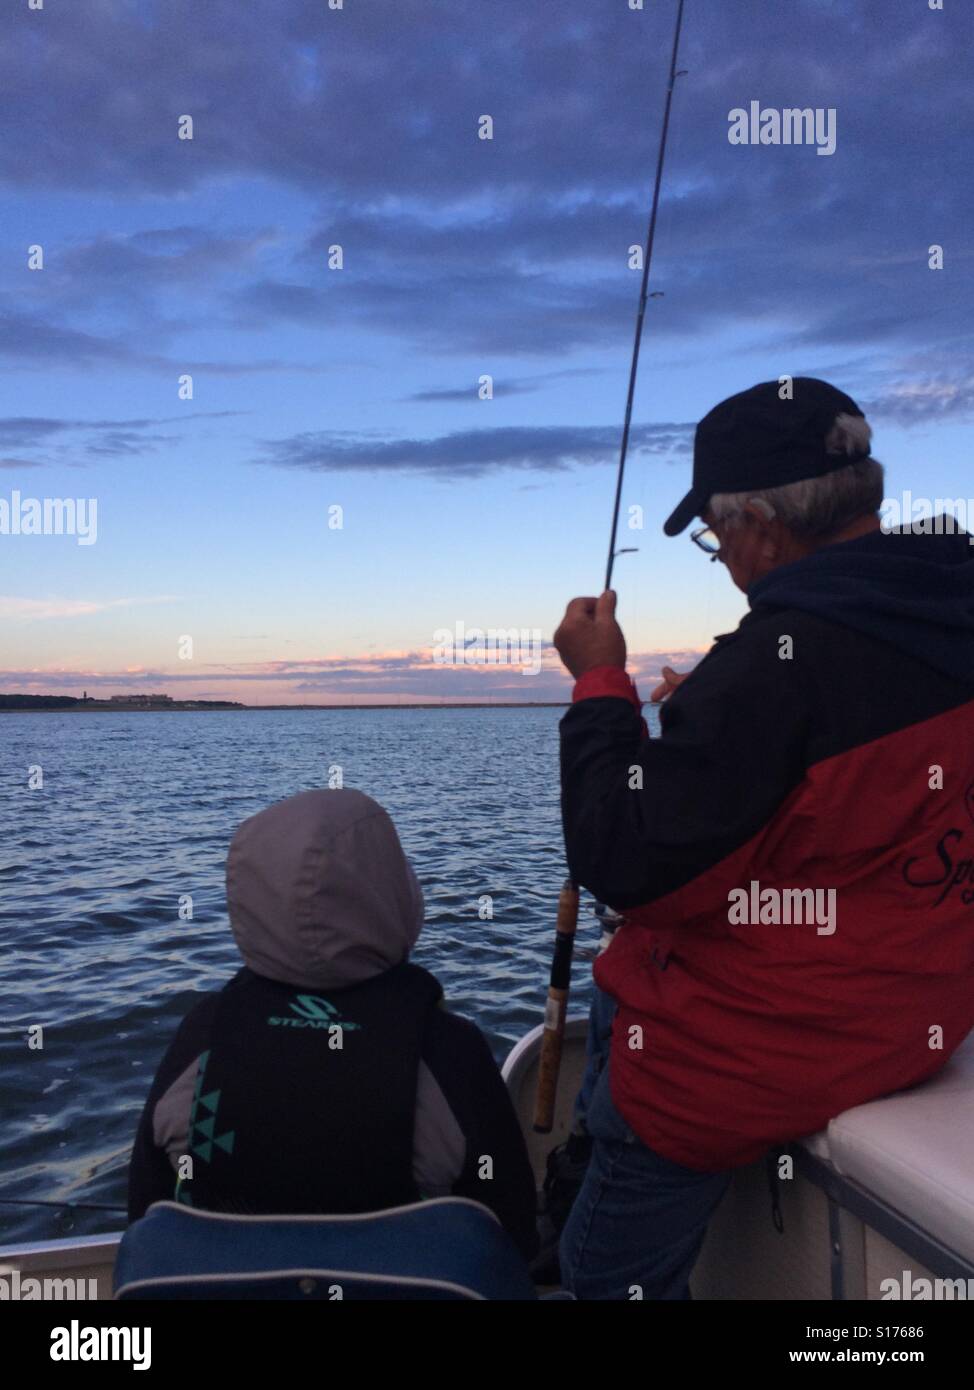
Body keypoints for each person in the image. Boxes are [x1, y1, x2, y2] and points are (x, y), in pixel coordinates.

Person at [551, 377, 974, 1299]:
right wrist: (710, 718)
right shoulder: (943, 609)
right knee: (617, 998)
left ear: (762, 529)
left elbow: (625, 861)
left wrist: (601, 689)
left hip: (760, 1053)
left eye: (711, 535)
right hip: (917, 1019)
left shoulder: (768, 682)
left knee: (596, 1275)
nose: (721, 555)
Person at [127, 788, 538, 1261]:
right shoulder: (449, 1052)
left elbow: (147, 1212)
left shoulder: (203, 1036)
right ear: (390, 890)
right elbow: (512, 1235)